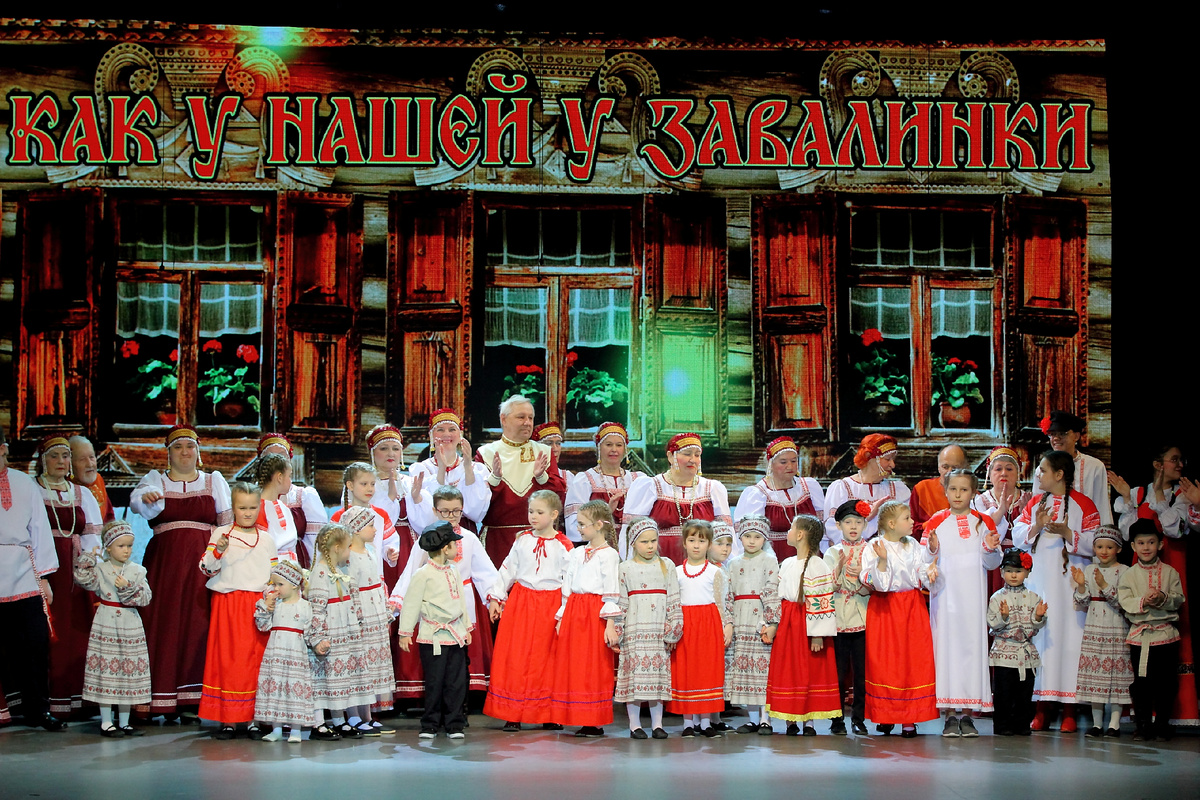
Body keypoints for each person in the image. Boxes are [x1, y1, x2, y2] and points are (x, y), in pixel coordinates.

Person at [130, 425, 232, 719]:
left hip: (203, 565)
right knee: (164, 623)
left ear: (198, 451)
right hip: (166, 566)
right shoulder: (156, 480)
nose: (185, 452)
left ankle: (193, 700)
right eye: (177, 447)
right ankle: (160, 697)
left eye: (190, 446)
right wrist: (146, 497)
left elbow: (226, 525)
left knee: (199, 624)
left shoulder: (213, 481)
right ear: (168, 453)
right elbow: (137, 502)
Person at [1012, 449, 1099, 733]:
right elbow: (1017, 536)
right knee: (1042, 641)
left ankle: (1070, 710)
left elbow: (1097, 543)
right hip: (1041, 583)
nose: (1037, 474)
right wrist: (1036, 525)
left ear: (1059, 475)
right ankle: (1041, 707)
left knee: (1070, 641)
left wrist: (1067, 533)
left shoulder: (1084, 504)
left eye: (1042, 469)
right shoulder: (1035, 503)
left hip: (1070, 586)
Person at [1111, 444, 1197, 727]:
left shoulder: (1183, 494)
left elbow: (1176, 530)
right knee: (1140, 639)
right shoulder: (1137, 493)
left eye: (1181, 460)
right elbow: (1127, 533)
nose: (1180, 465)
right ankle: (1142, 716)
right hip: (1141, 569)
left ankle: (1175, 713)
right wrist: (1127, 499)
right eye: (1174, 459)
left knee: (1174, 631)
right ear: (1158, 464)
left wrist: (1161, 497)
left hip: (1172, 564)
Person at [392, 485, 500, 697]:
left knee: (460, 658)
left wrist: (493, 597)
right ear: (435, 511)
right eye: (445, 511)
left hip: (461, 602)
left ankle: (460, 703)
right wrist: (397, 602)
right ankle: (436, 702)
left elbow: (485, 571)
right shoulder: (428, 537)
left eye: (456, 511)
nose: (451, 516)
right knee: (436, 658)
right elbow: (412, 572)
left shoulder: (469, 538)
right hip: (433, 605)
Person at [922, 469, 1003, 737]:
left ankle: (968, 714)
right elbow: (924, 562)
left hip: (973, 599)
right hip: (945, 598)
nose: (958, 494)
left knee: (971, 649)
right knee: (946, 651)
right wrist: (932, 549)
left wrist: (989, 547)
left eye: (964, 489)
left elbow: (993, 562)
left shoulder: (984, 521)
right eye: (953, 489)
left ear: (973, 492)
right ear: (945, 491)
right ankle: (948, 715)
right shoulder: (936, 521)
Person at [484, 489, 572, 729]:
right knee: (517, 655)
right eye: (531, 511)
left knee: (547, 658)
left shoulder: (563, 545)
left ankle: (548, 713)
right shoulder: (522, 539)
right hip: (521, 601)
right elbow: (507, 569)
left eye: (539, 512)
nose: (533, 516)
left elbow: (569, 579)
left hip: (550, 603)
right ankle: (513, 712)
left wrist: (565, 610)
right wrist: (496, 598)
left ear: (554, 514)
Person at [197, 481, 276, 739]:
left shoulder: (266, 539)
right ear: (233, 507)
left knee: (254, 662)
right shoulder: (221, 534)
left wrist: (270, 599)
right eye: (242, 508)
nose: (248, 513)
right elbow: (207, 568)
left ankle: (253, 720)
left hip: (256, 606)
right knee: (229, 662)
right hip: (228, 603)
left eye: (252, 507)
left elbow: (273, 576)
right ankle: (228, 720)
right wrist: (219, 552)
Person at [36, 434, 103, 719]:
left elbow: (92, 534)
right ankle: (47, 701)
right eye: (54, 456)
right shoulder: (34, 490)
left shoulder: (81, 494)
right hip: (45, 569)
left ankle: (77, 699)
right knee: (49, 631)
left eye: (65, 456)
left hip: (75, 572)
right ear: (42, 460)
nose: (61, 461)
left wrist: (88, 562)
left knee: (77, 631)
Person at [0, 425, 62, 730]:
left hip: (24, 573)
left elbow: (39, 528)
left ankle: (38, 709)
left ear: (3, 450)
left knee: (34, 644)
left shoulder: (24, 483)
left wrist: (45, 576)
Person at [859, 500, 937, 737]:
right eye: (907, 518)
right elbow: (874, 582)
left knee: (912, 662)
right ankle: (886, 714)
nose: (912, 522)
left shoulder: (912, 544)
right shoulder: (874, 546)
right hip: (885, 608)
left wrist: (930, 567)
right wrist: (882, 561)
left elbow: (921, 569)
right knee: (886, 663)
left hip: (912, 607)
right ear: (891, 524)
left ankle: (909, 719)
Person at [546, 500, 621, 737]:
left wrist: (610, 624)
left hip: (594, 612)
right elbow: (567, 586)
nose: (578, 528)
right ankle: (575, 714)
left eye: (582, 524)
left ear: (598, 525)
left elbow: (612, 591)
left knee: (593, 665)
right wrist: (562, 616)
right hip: (575, 610)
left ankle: (593, 720)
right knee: (574, 664)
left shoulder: (609, 555)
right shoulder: (577, 553)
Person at [762, 513, 840, 735]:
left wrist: (818, 634)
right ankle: (790, 721)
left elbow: (822, 598)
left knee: (809, 671)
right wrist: (773, 624)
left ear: (800, 534)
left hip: (807, 623)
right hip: (788, 623)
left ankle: (809, 722)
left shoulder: (817, 564)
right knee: (790, 670)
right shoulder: (787, 563)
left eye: (791, 528)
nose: (788, 532)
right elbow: (778, 597)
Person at [73, 519, 151, 736]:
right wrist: (89, 558)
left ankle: (124, 722)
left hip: (129, 623)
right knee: (107, 671)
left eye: (129, 546)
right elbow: (81, 579)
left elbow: (146, 597)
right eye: (121, 546)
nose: (126, 550)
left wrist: (128, 587)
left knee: (127, 672)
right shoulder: (101, 570)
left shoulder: (137, 571)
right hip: (107, 621)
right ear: (108, 547)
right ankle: (106, 722)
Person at [398, 522, 473, 740]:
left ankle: (454, 723)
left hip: (455, 634)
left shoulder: (454, 571)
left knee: (455, 682)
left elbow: (461, 600)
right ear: (444, 548)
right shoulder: (423, 574)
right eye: (454, 545)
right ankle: (430, 723)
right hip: (433, 636)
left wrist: (466, 627)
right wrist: (405, 632)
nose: (457, 548)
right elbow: (411, 603)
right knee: (434, 681)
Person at [1118, 512, 1187, 742]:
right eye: (1141, 543)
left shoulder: (1170, 572)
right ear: (1133, 546)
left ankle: (1163, 724)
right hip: (1141, 637)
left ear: (1160, 544)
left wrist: (1163, 597)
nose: (1146, 547)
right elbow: (1124, 600)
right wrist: (1143, 602)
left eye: (1151, 542)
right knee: (1142, 683)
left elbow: (1179, 598)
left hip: (1166, 635)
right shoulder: (1129, 575)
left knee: (1167, 683)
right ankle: (1143, 725)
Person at [475, 396, 567, 565]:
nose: (527, 422)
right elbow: (477, 503)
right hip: (498, 541)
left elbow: (558, 497)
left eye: (530, 418)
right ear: (503, 419)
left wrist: (541, 477)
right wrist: (495, 479)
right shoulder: (486, 454)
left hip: (539, 538)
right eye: (521, 417)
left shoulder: (544, 452)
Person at [614, 518, 682, 740]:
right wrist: (618, 631)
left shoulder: (666, 565)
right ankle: (635, 725)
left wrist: (673, 630)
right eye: (644, 542)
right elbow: (621, 603)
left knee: (657, 680)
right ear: (633, 542)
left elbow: (674, 599)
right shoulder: (625, 568)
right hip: (634, 631)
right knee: (634, 680)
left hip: (658, 631)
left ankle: (657, 725)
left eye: (653, 541)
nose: (650, 546)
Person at [308, 523, 375, 740]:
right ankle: (318, 723)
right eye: (347, 547)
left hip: (344, 632)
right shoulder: (320, 573)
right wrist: (318, 638)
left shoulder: (340, 570)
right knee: (323, 680)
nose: (349, 552)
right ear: (337, 548)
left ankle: (339, 721)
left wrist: (358, 623)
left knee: (340, 679)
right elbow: (317, 609)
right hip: (330, 635)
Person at [666, 520, 732, 738]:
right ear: (684, 542)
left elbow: (721, 602)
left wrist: (726, 625)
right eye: (692, 540)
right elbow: (672, 602)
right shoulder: (676, 572)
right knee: (686, 672)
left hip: (708, 624)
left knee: (707, 672)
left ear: (709, 544)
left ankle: (705, 722)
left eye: (701, 541)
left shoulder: (715, 572)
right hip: (686, 625)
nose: (696, 545)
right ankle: (688, 722)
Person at [624, 433, 732, 565]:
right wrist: (630, 565)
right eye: (687, 454)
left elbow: (726, 534)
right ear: (670, 456)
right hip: (658, 563)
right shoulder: (651, 486)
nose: (693, 460)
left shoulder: (712, 489)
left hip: (701, 565)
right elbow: (632, 532)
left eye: (697, 455)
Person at [253, 560, 330, 743]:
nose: (276, 588)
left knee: (295, 690)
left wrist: (320, 644)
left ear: (294, 584)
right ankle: (276, 729)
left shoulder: (306, 607)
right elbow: (263, 625)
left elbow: (311, 632)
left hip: (296, 656)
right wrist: (266, 607)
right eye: (274, 584)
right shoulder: (275, 605)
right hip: (276, 655)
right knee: (276, 689)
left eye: (280, 584)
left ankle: (296, 730)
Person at [1070, 525, 1132, 738]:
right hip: (1094, 626)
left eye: (1109, 547)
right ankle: (1097, 724)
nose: (1103, 551)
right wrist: (1080, 586)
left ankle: (1114, 724)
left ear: (1119, 549)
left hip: (1116, 627)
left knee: (1116, 676)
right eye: (1099, 547)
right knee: (1096, 675)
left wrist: (1104, 585)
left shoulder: (1125, 571)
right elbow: (1082, 601)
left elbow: (1122, 602)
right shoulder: (1089, 570)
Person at [341, 506, 394, 734]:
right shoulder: (348, 556)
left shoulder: (371, 550)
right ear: (356, 528)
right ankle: (353, 716)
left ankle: (367, 715)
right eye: (370, 525)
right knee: (358, 664)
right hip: (361, 612)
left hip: (375, 611)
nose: (375, 530)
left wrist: (385, 608)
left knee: (371, 667)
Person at [823, 500, 872, 736]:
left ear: (865, 524)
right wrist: (839, 569)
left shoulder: (870, 550)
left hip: (863, 617)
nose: (853, 526)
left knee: (862, 674)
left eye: (858, 522)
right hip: (838, 619)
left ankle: (859, 718)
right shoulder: (832, 552)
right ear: (838, 525)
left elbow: (875, 583)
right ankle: (836, 719)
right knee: (838, 673)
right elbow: (827, 586)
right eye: (848, 522)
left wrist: (862, 577)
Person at [724, 516, 777, 734]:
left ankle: (766, 719)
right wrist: (729, 622)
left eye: (757, 537)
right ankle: (753, 719)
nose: (752, 541)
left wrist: (771, 622)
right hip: (739, 619)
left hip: (758, 618)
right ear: (741, 538)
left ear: (764, 539)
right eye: (747, 536)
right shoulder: (733, 563)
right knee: (744, 670)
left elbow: (772, 592)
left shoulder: (769, 561)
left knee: (761, 670)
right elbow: (727, 595)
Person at [733, 437, 825, 561]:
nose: (790, 466)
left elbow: (823, 528)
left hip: (809, 557)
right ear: (771, 464)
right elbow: (747, 537)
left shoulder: (810, 487)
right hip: (775, 560)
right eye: (783, 462)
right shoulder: (758, 494)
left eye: (793, 461)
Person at [987, 549, 1047, 736]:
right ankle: (1002, 725)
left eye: (1018, 571)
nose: (1013, 575)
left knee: (1024, 691)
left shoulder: (1034, 598)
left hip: (1025, 653)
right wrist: (1003, 617)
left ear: (1027, 572)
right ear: (1001, 572)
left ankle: (1022, 724)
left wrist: (1038, 617)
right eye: (1009, 570)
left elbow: (1036, 626)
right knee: (1003, 692)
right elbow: (992, 623)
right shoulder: (997, 597)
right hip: (1004, 653)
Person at [823, 434, 912, 551]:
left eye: (893, 459)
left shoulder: (898, 490)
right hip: (853, 556)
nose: (892, 465)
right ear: (869, 457)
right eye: (887, 459)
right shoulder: (843, 488)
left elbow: (906, 530)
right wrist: (869, 519)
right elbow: (835, 534)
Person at [408, 409, 491, 531]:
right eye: (440, 430)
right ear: (431, 435)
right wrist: (441, 469)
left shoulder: (476, 468)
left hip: (466, 532)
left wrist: (467, 467)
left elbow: (476, 512)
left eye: (452, 429)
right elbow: (426, 513)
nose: (446, 434)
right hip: (435, 533)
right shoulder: (422, 469)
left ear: (460, 434)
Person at [564, 422, 645, 545]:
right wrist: (605, 513)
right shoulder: (585, 480)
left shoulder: (636, 480)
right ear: (599, 447)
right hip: (598, 547)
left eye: (619, 445)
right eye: (608, 445)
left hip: (630, 547)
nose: (614, 450)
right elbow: (575, 526)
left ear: (625, 449)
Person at [255, 433, 327, 569]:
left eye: (281, 455)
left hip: (296, 563)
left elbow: (316, 541)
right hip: (261, 563)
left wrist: (317, 571)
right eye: (270, 456)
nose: (276, 461)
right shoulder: (251, 499)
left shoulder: (303, 496)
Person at [332, 462, 403, 589]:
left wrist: (389, 551)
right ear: (350, 485)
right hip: (347, 576)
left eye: (372, 484)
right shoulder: (340, 516)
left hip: (374, 574)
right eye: (364, 484)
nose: (370, 489)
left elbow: (390, 540)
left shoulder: (381, 515)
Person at [972, 446, 1032, 595]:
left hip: (1022, 564)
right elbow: (979, 536)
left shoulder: (1028, 499)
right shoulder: (979, 502)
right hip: (992, 565)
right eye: (998, 469)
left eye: (1009, 469)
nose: (1004, 473)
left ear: (1018, 473)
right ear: (989, 474)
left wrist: (1027, 513)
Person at [366, 425, 419, 590]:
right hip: (379, 545)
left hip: (410, 545)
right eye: (384, 448)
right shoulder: (365, 485)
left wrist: (418, 499)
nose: (391, 453)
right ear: (373, 452)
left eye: (395, 449)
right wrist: (388, 498)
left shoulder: (409, 482)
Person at [1040, 410, 1113, 525]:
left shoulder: (1094, 467)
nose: (1056, 438)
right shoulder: (1041, 469)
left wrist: (1104, 534)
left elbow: (1102, 507)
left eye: (1062, 433)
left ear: (1076, 436)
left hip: (1086, 532)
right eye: (1052, 434)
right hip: (1050, 531)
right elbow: (1037, 505)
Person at [908, 444, 967, 533]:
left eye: (955, 468)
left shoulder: (971, 494)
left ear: (964, 468)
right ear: (939, 467)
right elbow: (909, 528)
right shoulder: (922, 489)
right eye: (945, 467)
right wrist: (931, 523)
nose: (949, 472)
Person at [256, 453, 301, 565]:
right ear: (280, 477)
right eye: (289, 476)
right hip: (269, 566)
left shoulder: (284, 507)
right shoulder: (258, 507)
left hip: (289, 566)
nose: (290, 481)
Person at [69, 435, 115, 523]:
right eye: (82, 459)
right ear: (70, 464)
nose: (90, 464)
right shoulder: (64, 488)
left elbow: (109, 517)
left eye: (91, 457)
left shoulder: (98, 479)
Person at [532, 421, 572, 488]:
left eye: (558, 443)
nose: (555, 449)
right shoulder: (529, 476)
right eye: (549, 444)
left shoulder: (567, 477)